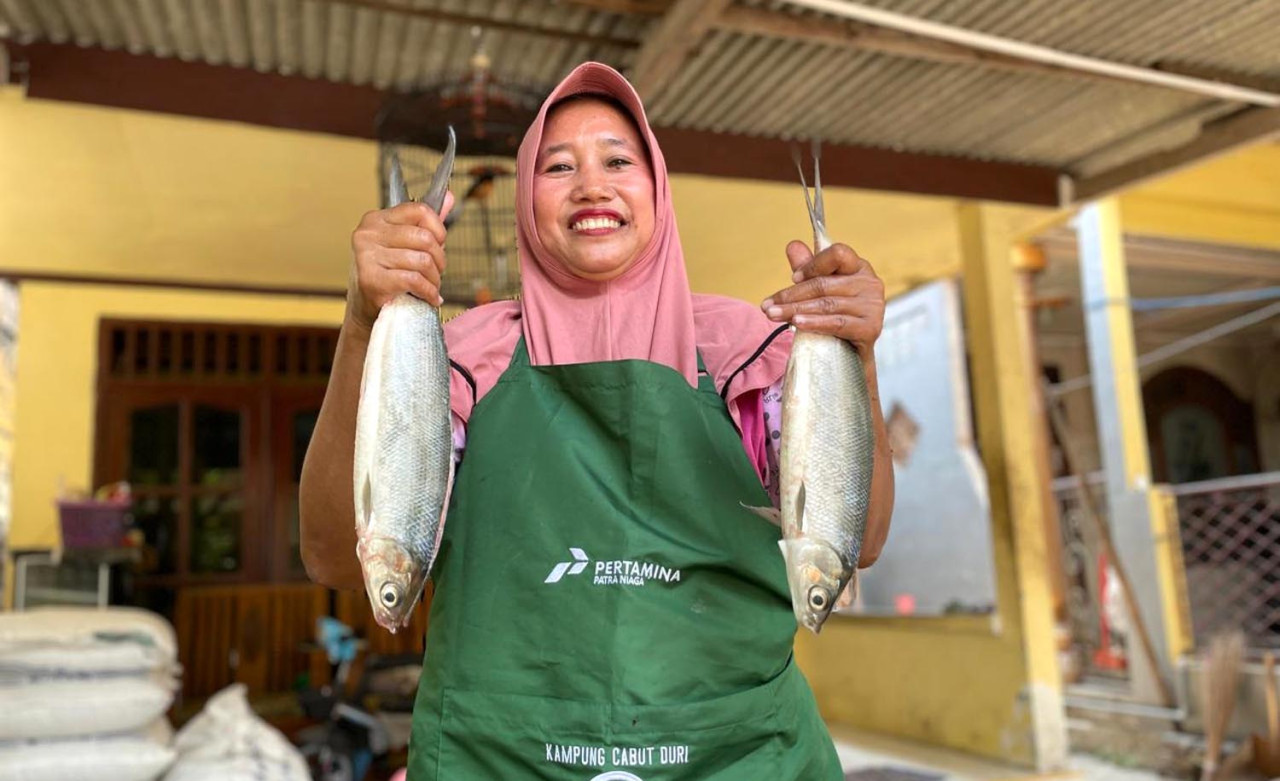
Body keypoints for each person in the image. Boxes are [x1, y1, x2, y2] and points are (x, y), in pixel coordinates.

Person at [300, 62, 894, 780]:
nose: (592, 185)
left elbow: (853, 538)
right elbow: (336, 557)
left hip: (738, 756)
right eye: (557, 166)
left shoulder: (751, 349)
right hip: (501, 759)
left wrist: (855, 357)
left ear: (657, 188)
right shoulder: (462, 357)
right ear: (524, 197)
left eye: (618, 159)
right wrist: (364, 322)